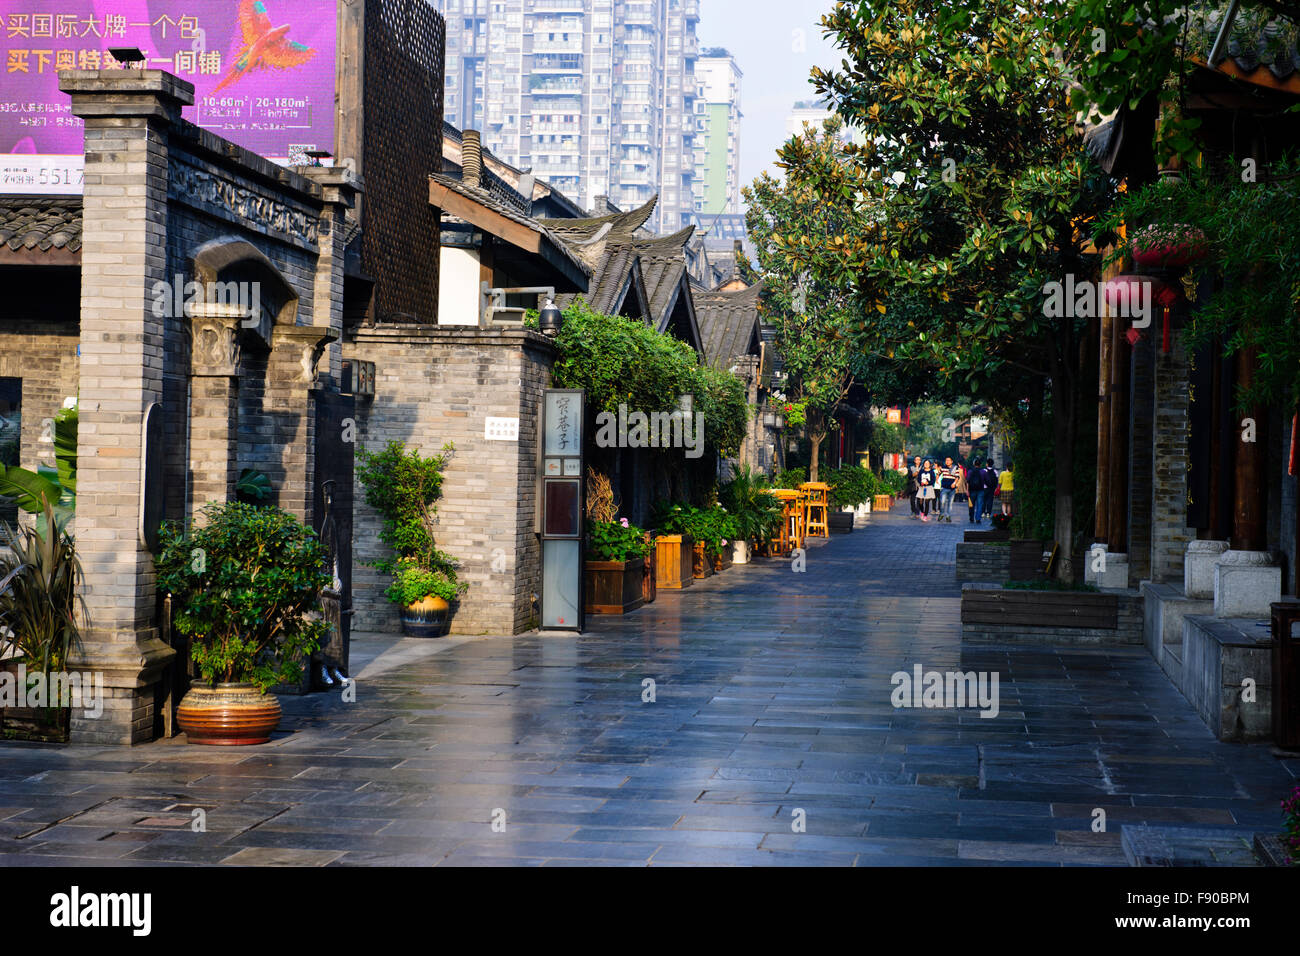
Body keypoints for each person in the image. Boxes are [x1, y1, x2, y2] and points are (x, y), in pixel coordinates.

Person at [967, 457, 988, 524]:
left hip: (972, 490)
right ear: (980, 464)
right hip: (980, 490)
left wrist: (967, 490)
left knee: (971, 504)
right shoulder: (983, 471)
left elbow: (967, 481)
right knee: (980, 505)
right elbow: (987, 481)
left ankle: (971, 518)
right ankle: (978, 518)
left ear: (973, 464)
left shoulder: (970, 471)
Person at [938, 456, 959, 522]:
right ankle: (941, 514)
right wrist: (937, 480)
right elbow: (938, 473)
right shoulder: (943, 468)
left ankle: (948, 516)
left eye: (949, 460)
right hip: (944, 488)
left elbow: (957, 477)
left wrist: (954, 483)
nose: (947, 461)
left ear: (952, 461)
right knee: (942, 502)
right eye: (946, 460)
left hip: (952, 488)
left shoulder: (955, 468)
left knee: (950, 503)